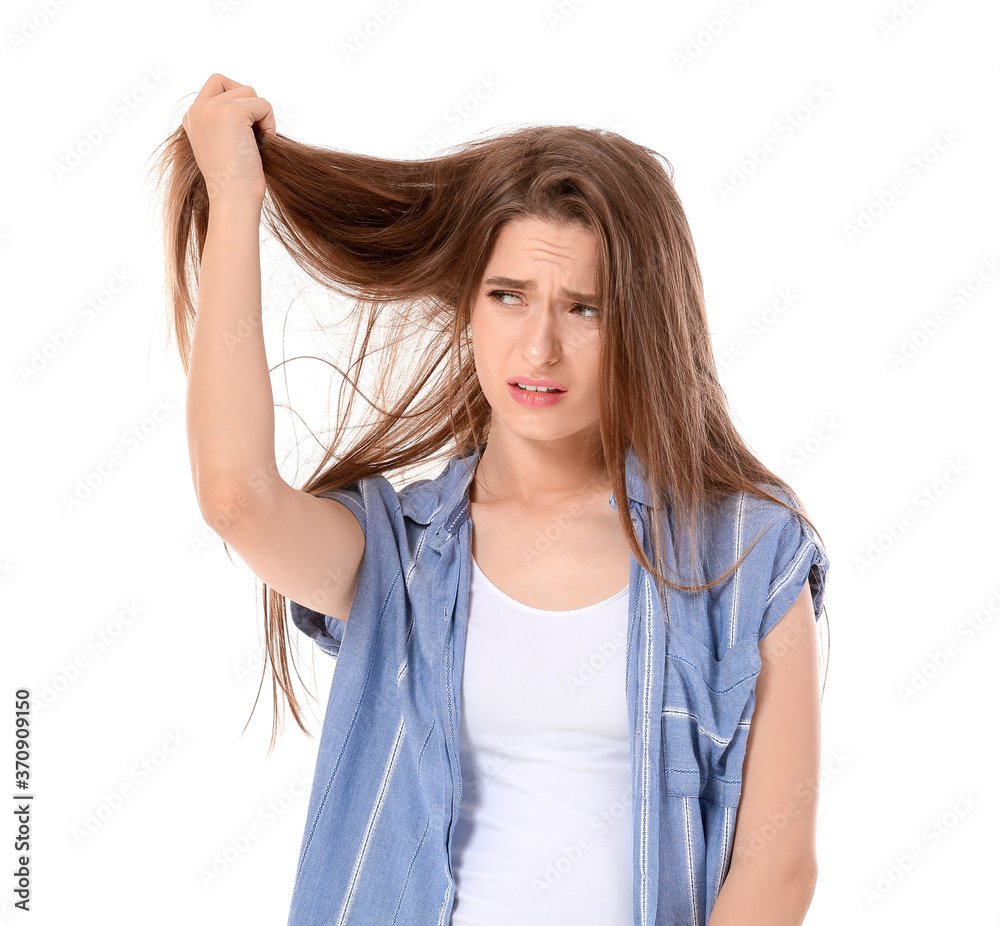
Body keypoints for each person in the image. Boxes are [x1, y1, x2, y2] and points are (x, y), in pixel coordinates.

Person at [150, 73, 831, 926]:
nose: (539, 345)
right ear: (467, 306)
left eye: (585, 308)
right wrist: (238, 197)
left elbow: (779, 870)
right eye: (509, 296)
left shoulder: (746, 554)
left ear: (645, 325)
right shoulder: (399, 563)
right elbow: (236, 500)